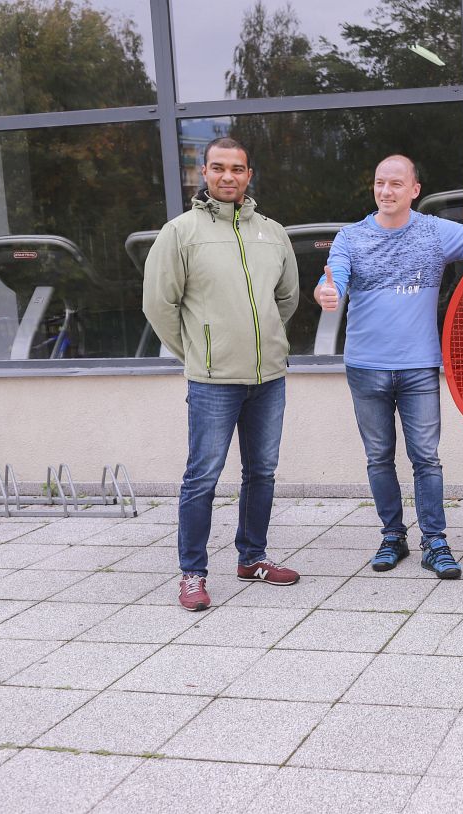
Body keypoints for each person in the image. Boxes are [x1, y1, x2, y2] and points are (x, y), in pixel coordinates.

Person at [315, 155, 463, 579]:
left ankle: (435, 543)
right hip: (366, 367)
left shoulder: (435, 232)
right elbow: (333, 280)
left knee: (426, 459)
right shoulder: (351, 237)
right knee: (378, 457)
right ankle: (392, 537)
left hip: (418, 367)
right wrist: (327, 293)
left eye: (396, 184)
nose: (386, 191)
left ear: (414, 190)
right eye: (380, 183)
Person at [142, 137, 301, 612]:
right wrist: (198, 352)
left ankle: (252, 558)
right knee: (202, 478)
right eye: (218, 168)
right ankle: (192, 573)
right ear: (203, 173)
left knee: (262, 472)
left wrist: (266, 341)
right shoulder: (180, 232)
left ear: (248, 175)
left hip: (268, 378)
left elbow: (287, 299)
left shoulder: (273, 233)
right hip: (212, 381)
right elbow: (159, 305)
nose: (228, 176)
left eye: (237, 168)